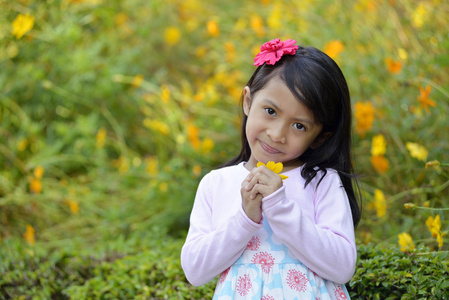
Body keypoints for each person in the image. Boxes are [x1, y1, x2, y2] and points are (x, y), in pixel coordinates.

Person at [181, 38, 362, 299]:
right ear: (247, 101)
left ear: (320, 137)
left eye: (299, 126)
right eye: (270, 111)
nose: (277, 134)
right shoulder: (216, 184)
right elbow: (195, 271)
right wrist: (244, 220)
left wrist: (281, 207)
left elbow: (343, 267)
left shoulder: (322, 181)